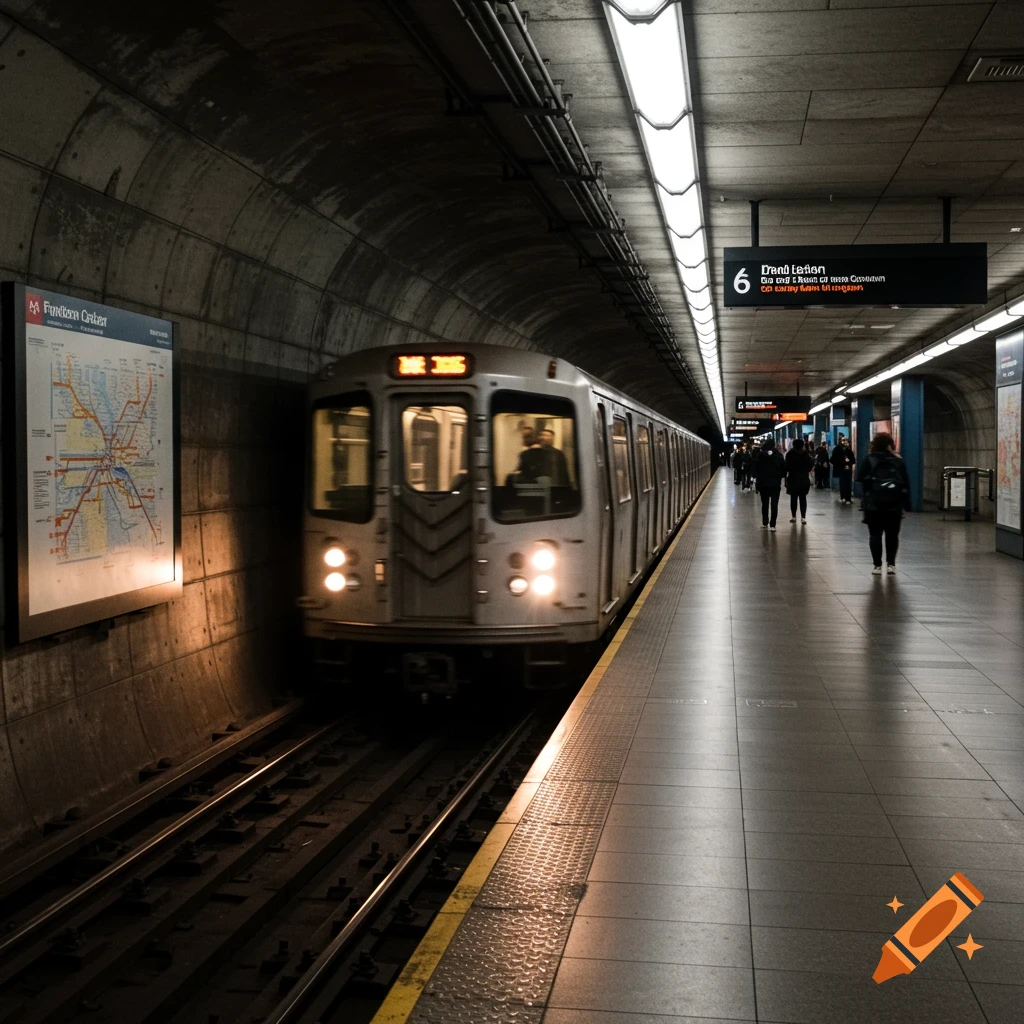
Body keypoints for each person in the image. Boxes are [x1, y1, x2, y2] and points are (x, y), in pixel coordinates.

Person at [856, 431, 911, 575]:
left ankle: (877, 566)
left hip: (873, 504)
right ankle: (891, 564)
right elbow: (905, 482)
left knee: (875, 535)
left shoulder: (869, 459)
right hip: (894, 504)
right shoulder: (898, 460)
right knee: (892, 535)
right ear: (890, 444)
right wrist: (907, 504)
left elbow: (860, 478)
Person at [754, 437, 786, 530]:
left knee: (764, 504)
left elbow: (757, 469)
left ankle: (765, 522)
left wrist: (757, 480)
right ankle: (773, 525)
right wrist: (779, 477)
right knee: (774, 504)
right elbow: (783, 469)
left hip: (763, 484)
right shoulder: (779, 455)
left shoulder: (760, 455)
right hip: (775, 484)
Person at [784, 438, 814, 524]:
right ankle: (803, 517)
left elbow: (786, 467)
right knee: (803, 498)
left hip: (793, 479)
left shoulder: (789, 454)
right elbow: (811, 464)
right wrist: (806, 470)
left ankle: (793, 516)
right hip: (804, 479)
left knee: (793, 498)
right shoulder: (806, 454)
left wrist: (786, 478)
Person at [830, 434, 856, 504]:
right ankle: (845, 498)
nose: (844, 442)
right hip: (844, 469)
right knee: (845, 484)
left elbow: (853, 459)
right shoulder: (841, 449)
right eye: (843, 441)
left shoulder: (845, 450)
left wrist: (847, 463)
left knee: (845, 484)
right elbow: (833, 459)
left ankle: (846, 498)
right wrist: (845, 463)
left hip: (844, 469)